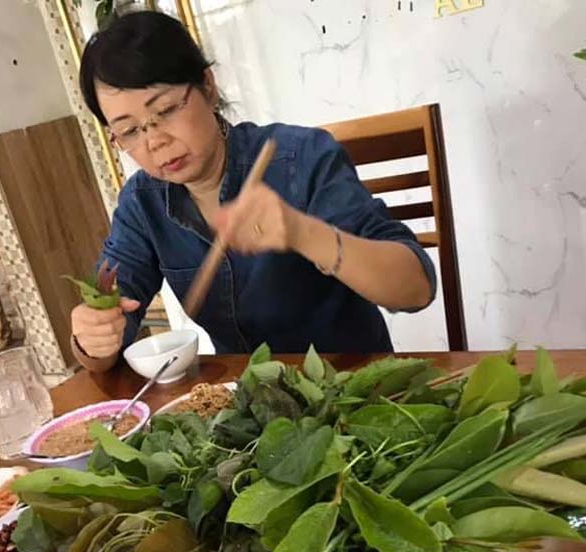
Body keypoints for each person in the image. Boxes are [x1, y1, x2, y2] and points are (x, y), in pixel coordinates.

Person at [71, 11, 436, 372]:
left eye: (165, 110)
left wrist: (303, 233)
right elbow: (114, 309)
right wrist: (94, 337)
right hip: (250, 405)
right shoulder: (142, 202)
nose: (155, 141)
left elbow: (416, 288)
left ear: (208, 87)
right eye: (130, 131)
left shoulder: (301, 158)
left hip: (354, 391)